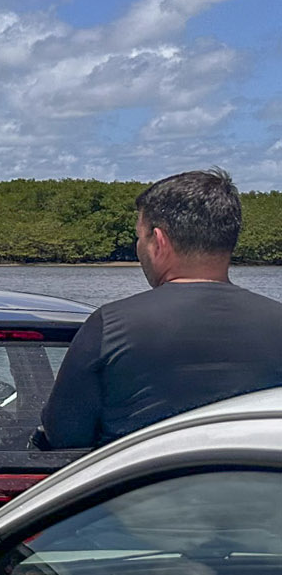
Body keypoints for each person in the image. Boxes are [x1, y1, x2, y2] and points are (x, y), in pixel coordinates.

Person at [35, 169, 282, 450]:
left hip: (141, 490)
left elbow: (64, 434)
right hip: (260, 489)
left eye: (139, 237)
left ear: (159, 241)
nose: (138, 247)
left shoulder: (111, 324)